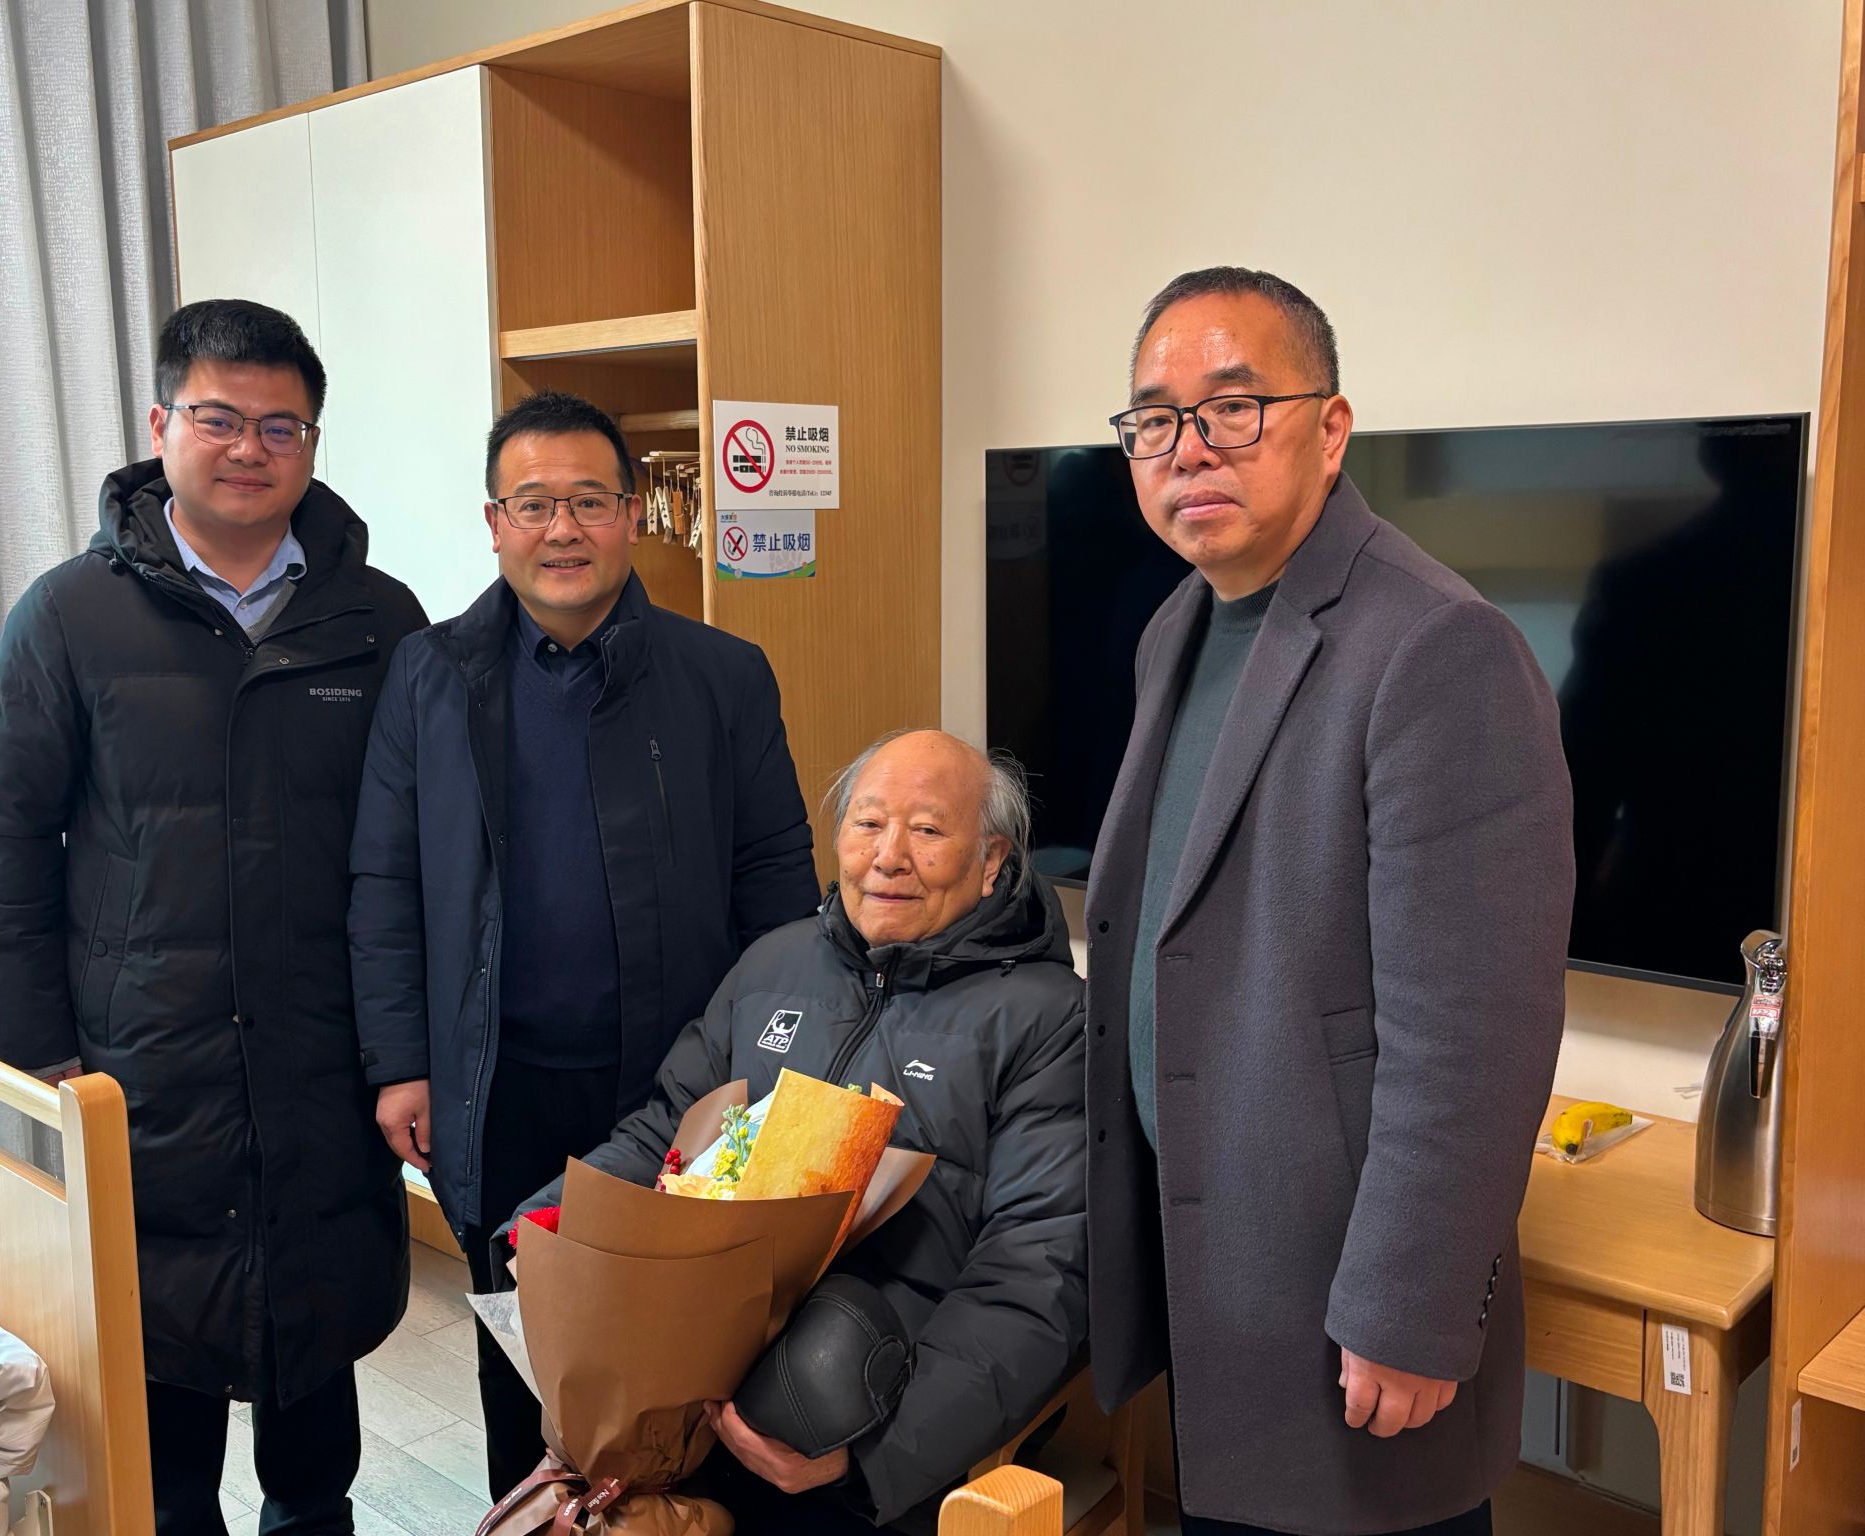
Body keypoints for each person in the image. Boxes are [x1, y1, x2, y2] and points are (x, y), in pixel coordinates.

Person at [1082, 267, 1574, 1535]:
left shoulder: (1435, 644)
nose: (1188, 447)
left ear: (1331, 426)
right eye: (1153, 419)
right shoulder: (1176, 626)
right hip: (1214, 1261)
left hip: (1344, 1294)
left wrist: (1410, 1307)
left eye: (1232, 407)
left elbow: (1473, 1032)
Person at [0, 298, 429, 1534]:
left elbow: (417, 855)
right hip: (142, 1060)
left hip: (326, 1053)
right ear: (160, 423)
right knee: (163, 1371)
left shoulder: (378, 620)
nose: (249, 449)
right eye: (219, 418)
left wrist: (407, 1048)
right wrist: (42, 1057)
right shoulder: (68, 615)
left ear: (311, 443)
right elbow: (6, 840)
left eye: (282, 426)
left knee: (314, 1360)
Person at [346, 389, 820, 1497]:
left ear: (632, 515)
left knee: (686, 1356)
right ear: (494, 522)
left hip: (674, 1090)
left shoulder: (723, 674)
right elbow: (384, 880)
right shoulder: (429, 674)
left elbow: (777, 885)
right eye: (533, 503)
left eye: (590, 501)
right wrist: (400, 1062)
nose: (562, 529)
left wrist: (773, 1070)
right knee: (519, 1360)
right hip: (493, 1089)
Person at [516, 729, 1088, 1535]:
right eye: (868, 823)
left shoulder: (1049, 1020)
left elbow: (1037, 1271)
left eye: (927, 830)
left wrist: (873, 1460)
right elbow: (666, 1131)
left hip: (868, 1409)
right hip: (695, 1369)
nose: (888, 857)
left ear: (992, 860)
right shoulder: (773, 964)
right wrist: (551, 1225)